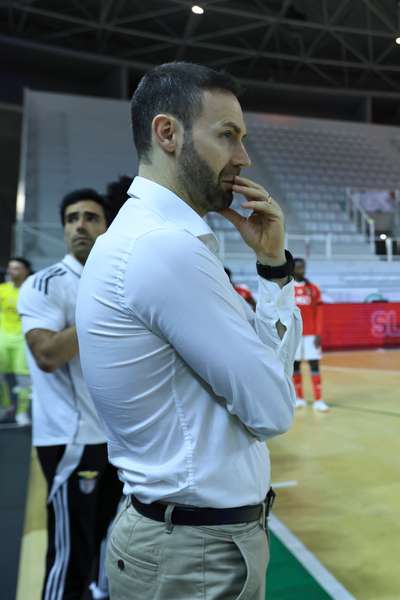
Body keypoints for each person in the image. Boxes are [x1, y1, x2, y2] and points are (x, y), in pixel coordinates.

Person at [75, 61, 301, 600]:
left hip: (181, 542)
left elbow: (267, 390)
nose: (243, 157)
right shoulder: (163, 249)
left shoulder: (147, 238)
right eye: (228, 135)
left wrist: (273, 267)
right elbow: (273, 410)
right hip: (192, 555)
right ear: (167, 133)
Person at [17, 189, 123, 600]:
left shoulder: (118, 281)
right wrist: (102, 311)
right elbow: (47, 355)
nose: (80, 225)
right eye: (72, 218)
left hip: (119, 439)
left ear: (106, 227)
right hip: (72, 439)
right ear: (63, 228)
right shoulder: (45, 284)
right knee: (71, 554)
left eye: (91, 217)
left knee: (109, 543)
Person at [291, 258, 328, 412]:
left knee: (314, 364)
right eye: (298, 267)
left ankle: (319, 400)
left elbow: (319, 312)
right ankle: (299, 398)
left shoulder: (313, 288)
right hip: (293, 334)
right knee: (295, 365)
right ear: (292, 269)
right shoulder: (286, 289)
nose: (302, 270)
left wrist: (319, 333)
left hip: (311, 333)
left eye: (303, 267)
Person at [0, 256, 32, 424]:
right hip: (3, 338)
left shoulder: (31, 290)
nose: (10, 271)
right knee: (2, 375)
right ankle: (6, 407)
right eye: (9, 268)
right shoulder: (2, 289)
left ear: (25, 271)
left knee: (23, 378)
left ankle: (22, 412)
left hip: (22, 339)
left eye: (15, 268)